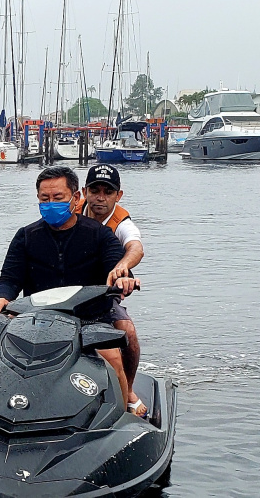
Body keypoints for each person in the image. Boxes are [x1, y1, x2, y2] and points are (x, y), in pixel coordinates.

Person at [0, 165, 139, 410]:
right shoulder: (26, 236)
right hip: (35, 316)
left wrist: (123, 278)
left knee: (112, 359)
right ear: (37, 199)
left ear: (75, 198)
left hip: (89, 317)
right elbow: (9, 279)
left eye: (58, 198)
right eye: (45, 199)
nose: (51, 203)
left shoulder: (99, 235)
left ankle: (121, 415)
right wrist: (1, 298)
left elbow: (117, 267)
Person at [80, 164, 147, 417]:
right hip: (65, 289)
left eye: (107, 192)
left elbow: (136, 248)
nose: (100, 197)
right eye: (95, 190)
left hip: (102, 293)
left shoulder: (121, 222)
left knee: (126, 330)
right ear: (84, 192)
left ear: (118, 196)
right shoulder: (70, 212)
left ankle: (127, 390)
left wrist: (122, 268)